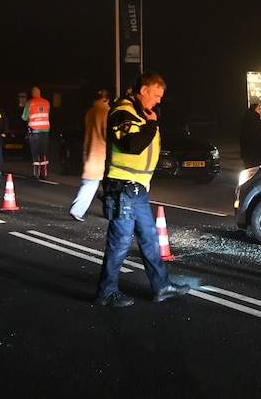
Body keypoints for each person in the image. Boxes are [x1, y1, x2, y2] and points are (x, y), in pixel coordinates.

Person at [95, 72, 191, 308]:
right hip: (122, 187)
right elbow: (131, 145)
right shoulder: (123, 111)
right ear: (144, 89)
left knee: (149, 239)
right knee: (119, 242)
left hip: (136, 189)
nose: (158, 101)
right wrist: (151, 125)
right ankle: (106, 292)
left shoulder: (142, 113)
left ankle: (161, 286)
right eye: (156, 95)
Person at [70, 90, 110, 221]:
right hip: (100, 152)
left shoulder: (90, 111)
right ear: (106, 100)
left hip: (89, 150)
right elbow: (107, 134)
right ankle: (77, 209)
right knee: (92, 182)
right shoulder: (106, 112)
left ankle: (79, 209)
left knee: (90, 180)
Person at [22, 86, 51, 179]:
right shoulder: (46, 103)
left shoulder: (30, 103)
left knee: (35, 152)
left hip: (35, 131)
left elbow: (24, 117)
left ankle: (36, 174)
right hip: (45, 131)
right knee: (44, 152)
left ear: (33, 93)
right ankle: (44, 173)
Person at [239, 102, 261, 168]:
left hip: (246, 150)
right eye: (258, 109)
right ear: (254, 110)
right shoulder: (256, 120)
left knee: (248, 168)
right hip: (255, 151)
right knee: (254, 168)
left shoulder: (245, 120)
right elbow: (260, 137)